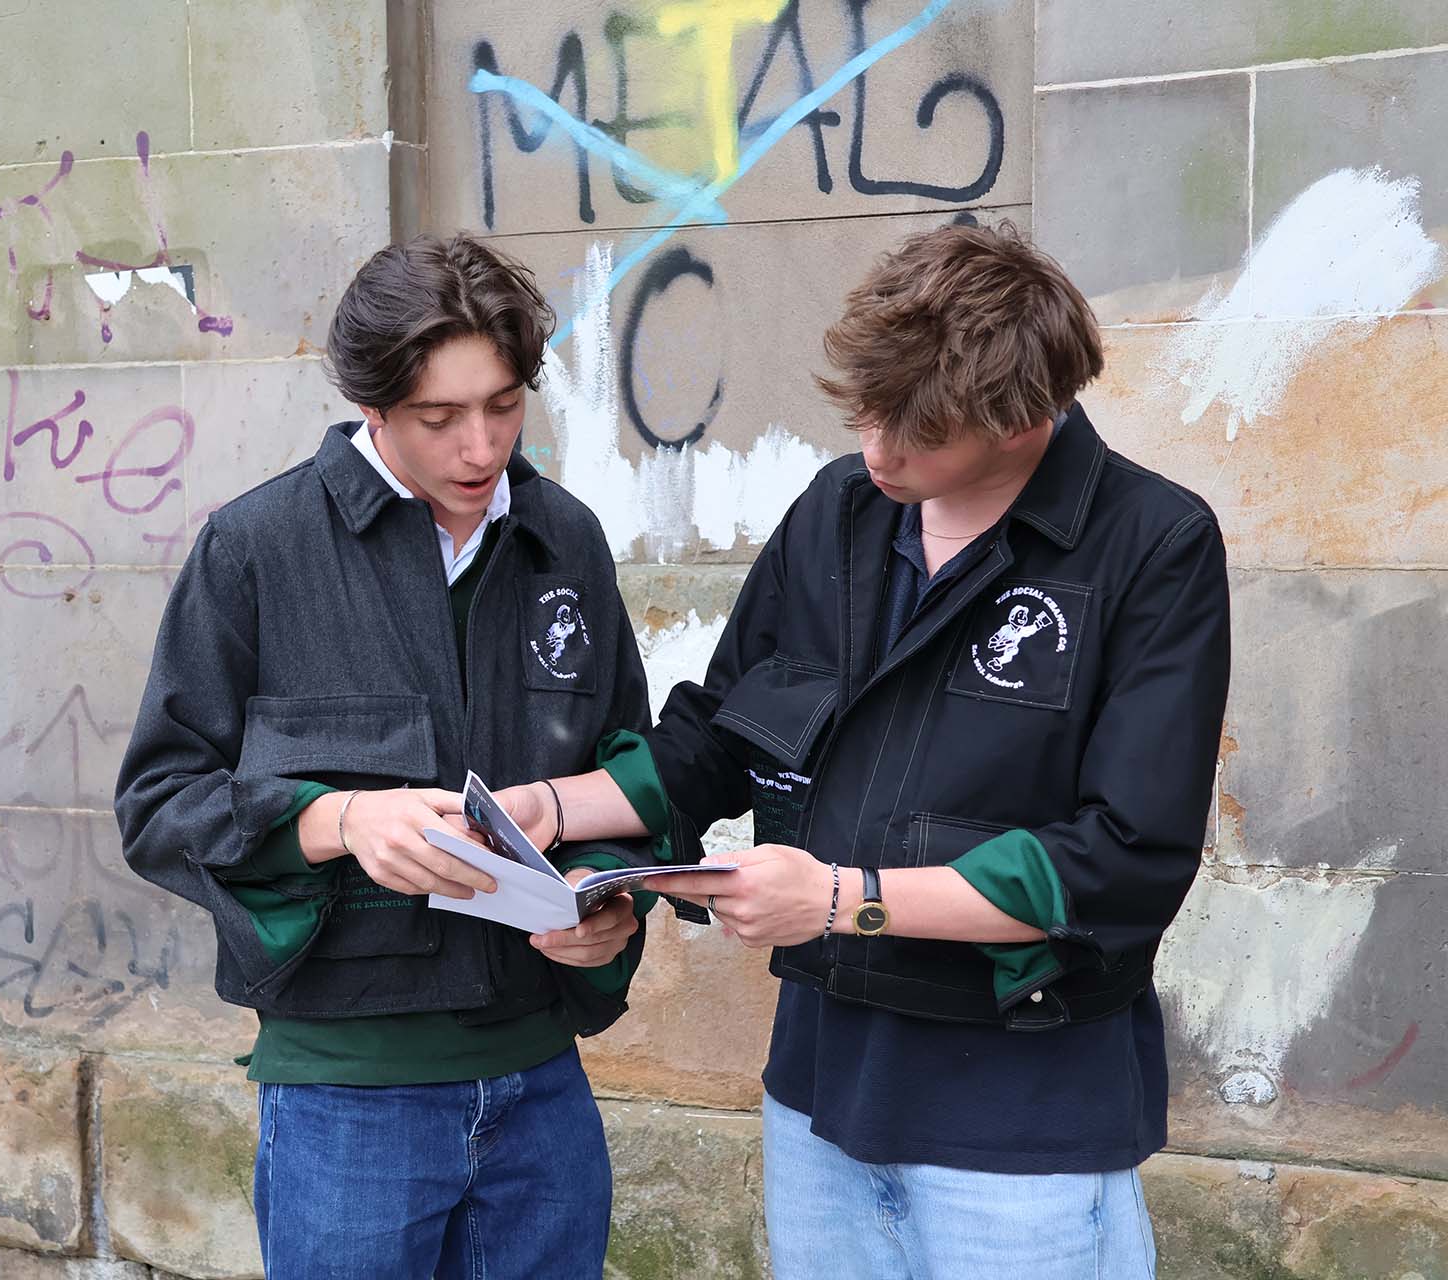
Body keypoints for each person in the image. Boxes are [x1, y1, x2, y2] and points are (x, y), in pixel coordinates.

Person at [496, 223, 1231, 1278]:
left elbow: (1126, 859)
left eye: (917, 431)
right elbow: (714, 737)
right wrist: (555, 808)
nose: (878, 450)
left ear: (1023, 418)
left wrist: (844, 900)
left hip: (1020, 1115)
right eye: (868, 413)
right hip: (819, 1093)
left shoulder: (1153, 544)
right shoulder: (837, 514)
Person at [113, 233, 672, 1278]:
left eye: (504, 405)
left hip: (544, 1087)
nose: (480, 447)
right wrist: (338, 820)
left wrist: (606, 897)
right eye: (439, 417)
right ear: (372, 406)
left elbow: (626, 769)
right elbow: (158, 803)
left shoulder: (567, 539)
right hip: (346, 1099)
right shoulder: (256, 547)